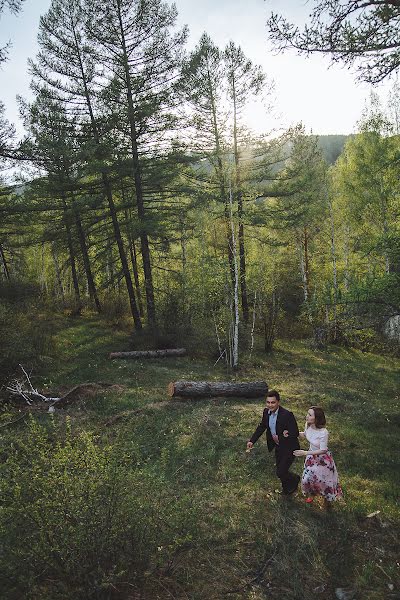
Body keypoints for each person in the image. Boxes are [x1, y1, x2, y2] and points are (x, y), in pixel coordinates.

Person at [247, 390, 300, 495]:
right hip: (278, 447)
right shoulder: (266, 412)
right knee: (281, 471)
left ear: (278, 402)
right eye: (268, 402)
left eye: (273, 402)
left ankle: (295, 478)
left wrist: (286, 434)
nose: (270, 405)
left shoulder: (287, 415)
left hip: (289, 447)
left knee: (280, 472)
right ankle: (287, 490)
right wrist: (252, 440)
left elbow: (295, 432)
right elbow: (262, 426)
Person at [293, 406, 343, 505]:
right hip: (311, 457)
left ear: (317, 418)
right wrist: (292, 433)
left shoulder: (324, 433)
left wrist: (305, 453)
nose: (307, 416)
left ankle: (327, 500)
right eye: (307, 413)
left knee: (323, 481)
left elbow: (323, 450)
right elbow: (305, 434)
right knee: (308, 478)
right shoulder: (308, 425)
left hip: (322, 460)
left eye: (310, 415)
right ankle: (312, 494)